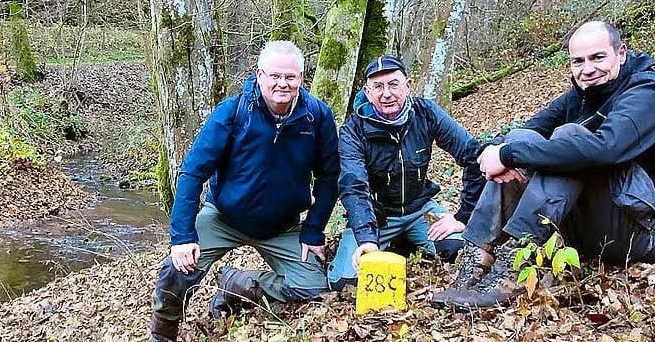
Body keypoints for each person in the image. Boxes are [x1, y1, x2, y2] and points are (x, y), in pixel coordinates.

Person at [432, 21, 655, 309]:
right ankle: (478, 255)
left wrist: (507, 155)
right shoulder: (581, 95)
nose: (587, 69)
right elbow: (521, 135)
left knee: (571, 139)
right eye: (578, 61)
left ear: (621, 53)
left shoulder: (647, 93)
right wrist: (499, 151)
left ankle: (520, 263)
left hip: (652, 234)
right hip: (595, 230)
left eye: (598, 57)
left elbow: (605, 150)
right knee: (521, 139)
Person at [148, 41, 340, 341]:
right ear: (260, 74)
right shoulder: (234, 111)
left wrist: (314, 230)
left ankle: (238, 282)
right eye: (275, 76)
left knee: (314, 289)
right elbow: (192, 172)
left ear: (301, 78)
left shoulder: (317, 116)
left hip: (283, 225)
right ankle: (162, 335)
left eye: (290, 77)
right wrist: (183, 237)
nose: (283, 84)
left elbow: (329, 177)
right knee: (176, 272)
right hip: (224, 217)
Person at [327, 55, 486, 290]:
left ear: (408, 86)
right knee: (346, 282)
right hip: (377, 217)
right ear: (367, 92)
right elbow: (353, 186)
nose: (386, 94)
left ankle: (406, 240)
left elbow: (474, 155)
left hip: (419, 209)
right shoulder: (354, 130)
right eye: (378, 87)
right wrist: (367, 239)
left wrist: (463, 216)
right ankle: (386, 241)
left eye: (393, 84)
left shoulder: (426, 113)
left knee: (460, 252)